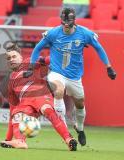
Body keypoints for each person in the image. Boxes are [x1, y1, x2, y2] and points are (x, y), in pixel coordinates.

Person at [27, 7, 117, 146]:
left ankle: (79, 128)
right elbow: (38, 48)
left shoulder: (85, 33)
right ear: (61, 22)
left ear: (74, 22)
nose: (66, 28)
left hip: (74, 76)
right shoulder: (53, 33)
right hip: (57, 72)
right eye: (64, 24)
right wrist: (31, 66)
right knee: (58, 90)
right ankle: (63, 129)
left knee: (80, 104)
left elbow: (98, 48)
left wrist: (108, 67)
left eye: (68, 25)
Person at [0, 43, 77, 151]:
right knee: (16, 115)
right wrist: (8, 138)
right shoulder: (10, 82)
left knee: (47, 109)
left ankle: (69, 139)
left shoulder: (30, 62)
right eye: (9, 58)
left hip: (40, 95)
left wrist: (65, 55)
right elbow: (12, 110)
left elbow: (46, 60)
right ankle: (20, 141)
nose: (11, 60)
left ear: (21, 57)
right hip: (25, 104)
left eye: (14, 57)